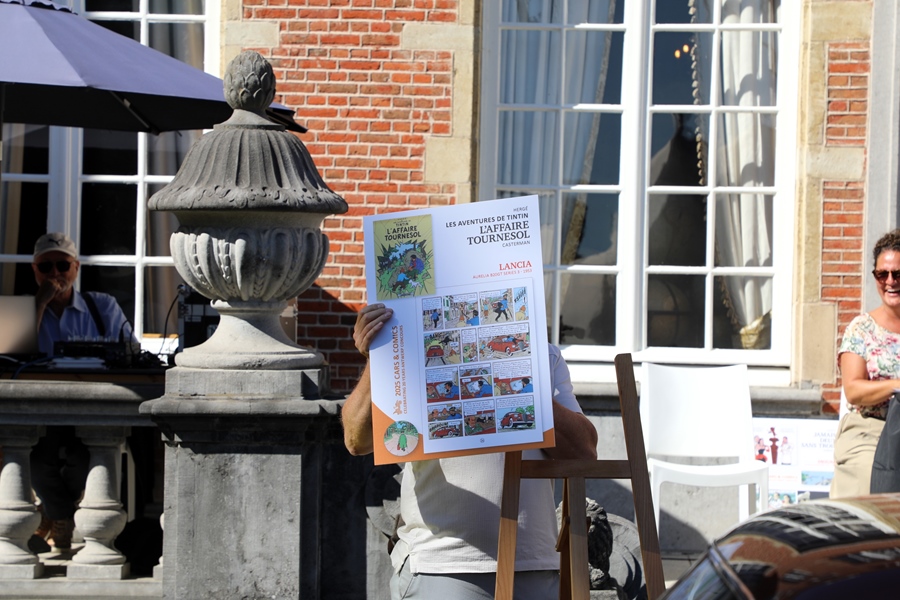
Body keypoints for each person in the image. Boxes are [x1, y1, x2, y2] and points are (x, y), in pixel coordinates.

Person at [342, 303, 598, 600]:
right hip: (441, 564)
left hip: (534, 565)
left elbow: (582, 454)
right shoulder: (409, 351)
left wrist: (520, 372)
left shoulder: (545, 356)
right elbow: (357, 440)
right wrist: (381, 356)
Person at [29, 232, 134, 550]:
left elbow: (130, 351)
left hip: (91, 407)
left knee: (83, 457)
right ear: (35, 271)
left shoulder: (101, 305)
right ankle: (60, 515)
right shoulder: (25, 309)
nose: (55, 273)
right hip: (40, 407)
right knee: (38, 462)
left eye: (62, 265)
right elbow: (13, 352)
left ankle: (52, 515)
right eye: (46, 267)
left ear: (76, 268)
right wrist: (39, 304)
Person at [832, 229, 900, 498]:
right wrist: (896, 385)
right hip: (870, 429)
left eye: (898, 274)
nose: (890, 281)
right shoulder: (861, 328)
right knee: (870, 477)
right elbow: (853, 390)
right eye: (883, 274)